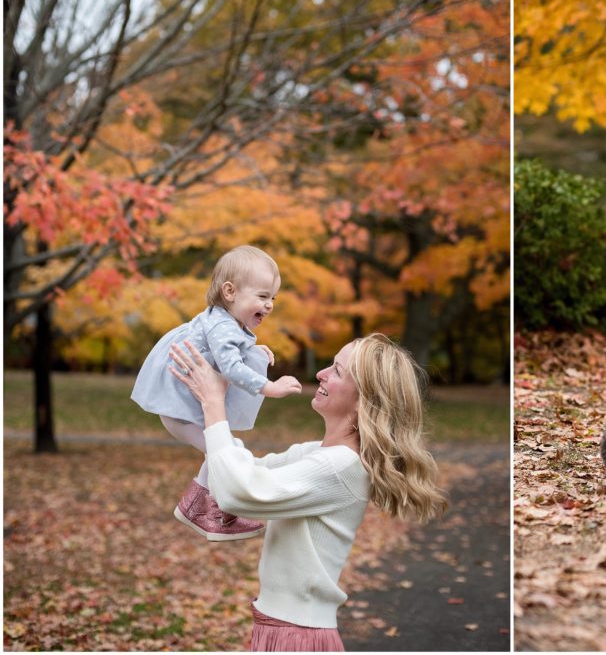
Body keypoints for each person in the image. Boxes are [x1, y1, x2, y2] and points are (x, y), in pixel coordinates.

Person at [169, 333, 448, 652]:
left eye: (338, 371)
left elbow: (239, 493)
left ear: (363, 401)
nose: (321, 374)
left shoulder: (339, 465)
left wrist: (213, 404)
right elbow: (245, 471)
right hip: (281, 628)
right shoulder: (318, 454)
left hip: (298, 637)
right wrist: (212, 405)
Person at [131, 245, 303, 540]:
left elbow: (225, 353)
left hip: (181, 407)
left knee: (226, 448)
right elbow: (232, 368)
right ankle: (205, 511)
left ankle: (202, 507)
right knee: (226, 450)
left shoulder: (223, 321)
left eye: (272, 297)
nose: (270, 304)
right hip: (180, 411)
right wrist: (270, 387)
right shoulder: (223, 326)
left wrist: (253, 349)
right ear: (230, 291)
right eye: (262, 296)